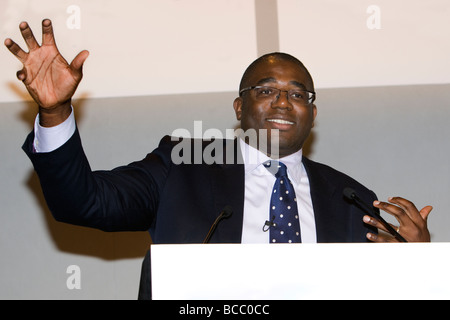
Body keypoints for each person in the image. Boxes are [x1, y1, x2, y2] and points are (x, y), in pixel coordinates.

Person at [5, 19, 432, 299]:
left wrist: (417, 270)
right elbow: (83, 202)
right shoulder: (182, 165)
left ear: (313, 114)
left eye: (299, 94)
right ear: (238, 108)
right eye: (266, 90)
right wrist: (55, 112)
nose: (284, 101)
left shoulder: (352, 198)